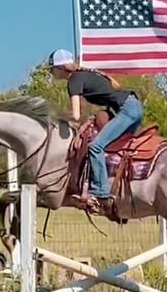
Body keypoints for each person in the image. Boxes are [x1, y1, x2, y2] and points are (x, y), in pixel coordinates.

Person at [48, 48, 144, 214]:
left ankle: (100, 193)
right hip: (132, 106)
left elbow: (76, 116)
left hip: (127, 109)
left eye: (52, 68)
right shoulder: (85, 74)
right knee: (114, 149)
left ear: (61, 68)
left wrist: (56, 117)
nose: (51, 71)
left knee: (95, 147)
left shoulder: (74, 81)